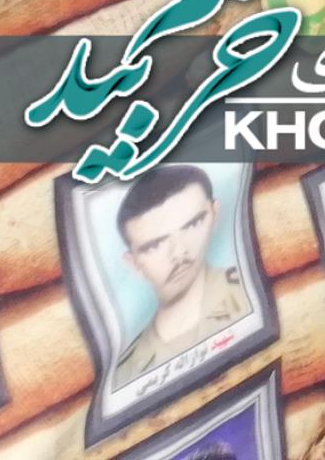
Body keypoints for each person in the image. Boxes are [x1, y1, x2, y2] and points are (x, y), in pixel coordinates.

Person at [107, 166, 254, 387]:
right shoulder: (124, 375)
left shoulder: (258, 291)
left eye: (192, 225)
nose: (179, 253)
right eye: (155, 245)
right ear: (134, 262)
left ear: (215, 215)